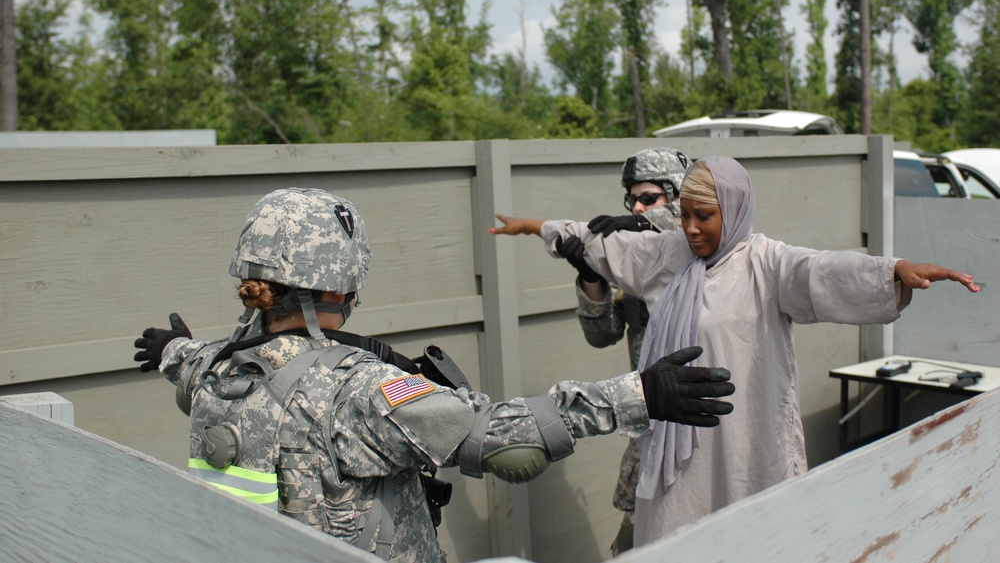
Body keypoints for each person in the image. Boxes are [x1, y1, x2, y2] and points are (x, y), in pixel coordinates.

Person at [133, 187, 737, 563]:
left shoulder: (214, 370)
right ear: (337, 286)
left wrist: (171, 348)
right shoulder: (358, 389)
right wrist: (637, 395)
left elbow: (184, 364)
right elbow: (502, 439)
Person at [492, 155, 979, 546]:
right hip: (676, 451)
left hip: (748, 444)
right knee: (676, 542)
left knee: (754, 540)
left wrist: (893, 269)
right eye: (684, 215)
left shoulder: (767, 264)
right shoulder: (670, 255)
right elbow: (600, 246)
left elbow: (824, 270)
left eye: (703, 215)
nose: (691, 228)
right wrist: (534, 226)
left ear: (735, 207)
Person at [504, 146, 689, 556]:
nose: (638, 207)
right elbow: (603, 333)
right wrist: (590, 275)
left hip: (701, 431)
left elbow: (693, 227)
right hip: (652, 429)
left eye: (650, 198)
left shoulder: (703, 250)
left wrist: (637, 223)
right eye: (633, 200)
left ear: (677, 197)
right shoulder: (634, 261)